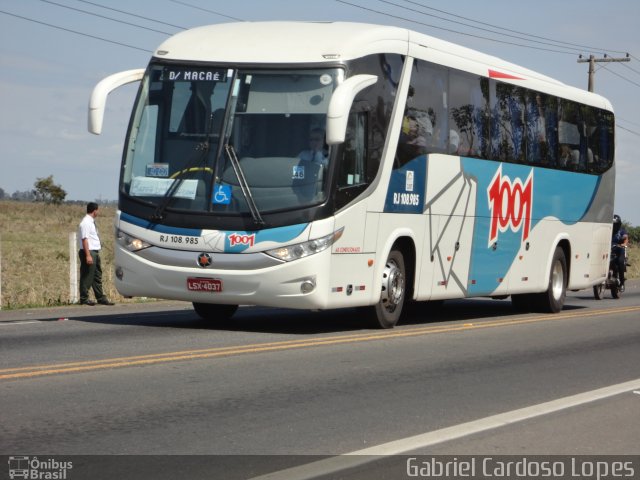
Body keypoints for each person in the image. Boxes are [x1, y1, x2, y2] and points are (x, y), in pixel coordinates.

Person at [78, 202, 114, 305]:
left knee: (97, 275)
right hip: (89, 252)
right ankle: (84, 298)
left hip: (95, 251)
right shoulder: (86, 223)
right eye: (98, 210)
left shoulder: (91, 222)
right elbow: (84, 239)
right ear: (95, 211)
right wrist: (88, 255)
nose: (98, 212)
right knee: (87, 275)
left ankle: (100, 297)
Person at [612, 214, 629, 289]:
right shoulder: (608, 230)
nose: (614, 226)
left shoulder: (622, 230)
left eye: (616, 224)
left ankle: (622, 282)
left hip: (619, 248)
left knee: (620, 261)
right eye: (613, 224)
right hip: (609, 248)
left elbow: (625, 238)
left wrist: (623, 244)